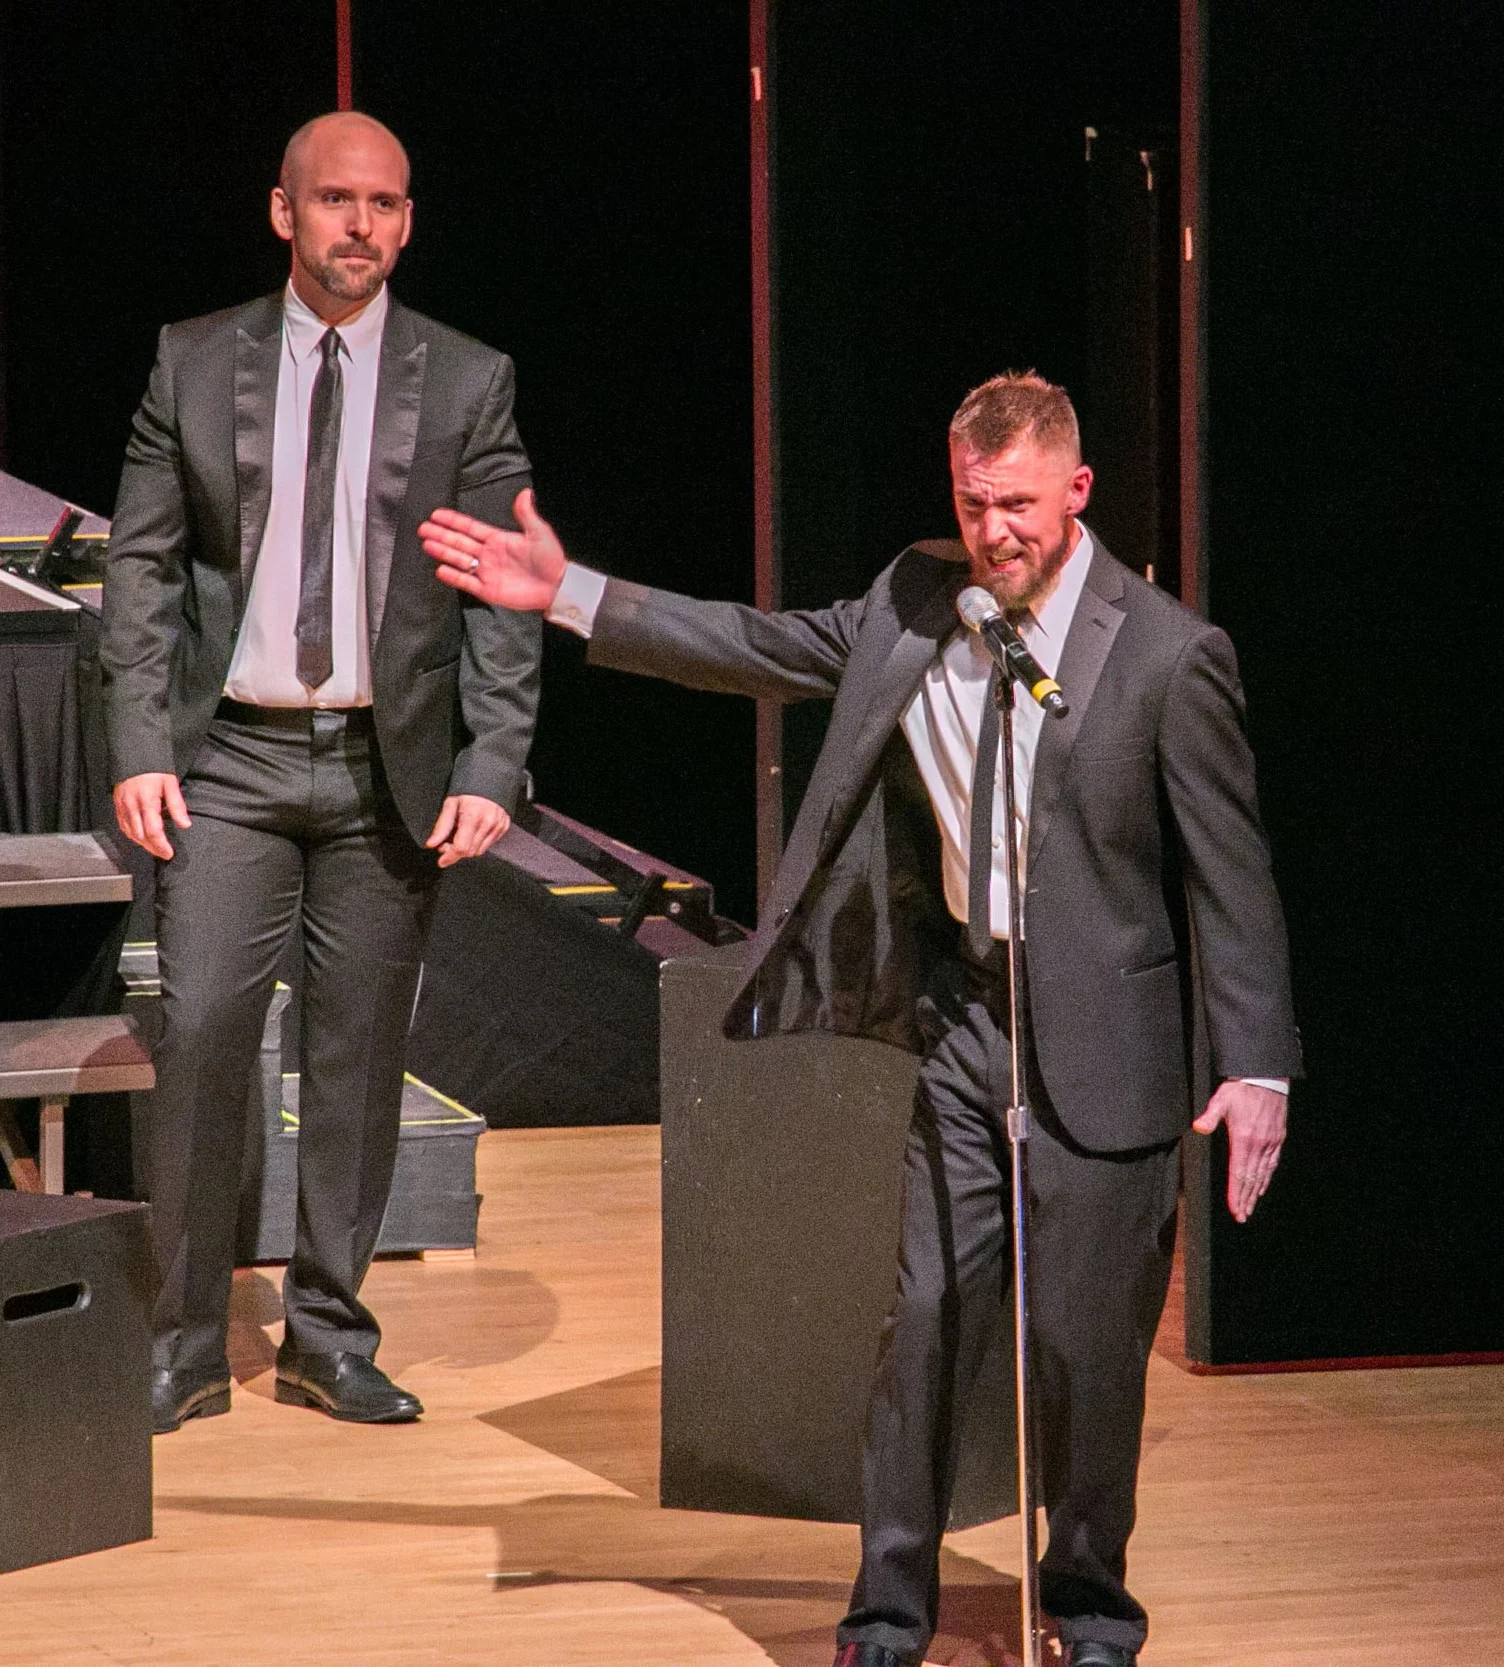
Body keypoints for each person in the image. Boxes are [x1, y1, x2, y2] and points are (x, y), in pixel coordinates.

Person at [422, 372, 1298, 1667]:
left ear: (1076, 490)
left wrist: (1257, 1063)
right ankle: (887, 1612)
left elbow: (1232, 872)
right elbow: (755, 645)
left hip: (1106, 1049)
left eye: (1017, 503)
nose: (994, 530)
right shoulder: (913, 600)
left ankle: (1090, 1612)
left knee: (1083, 1352)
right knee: (924, 1320)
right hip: (966, 1025)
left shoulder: (1170, 654)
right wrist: (568, 593)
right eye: (973, 502)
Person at [100, 112, 542, 1435]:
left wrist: (496, 754)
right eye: (338, 199)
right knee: (201, 1032)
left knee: (359, 1051)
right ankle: (184, 1340)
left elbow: (503, 587)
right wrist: (139, 744)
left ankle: (329, 1334)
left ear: (409, 221)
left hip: (383, 765)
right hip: (231, 756)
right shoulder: (194, 360)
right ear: (284, 211)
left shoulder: (467, 380)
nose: (363, 224)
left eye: (386, 203)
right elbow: (140, 566)